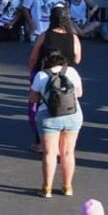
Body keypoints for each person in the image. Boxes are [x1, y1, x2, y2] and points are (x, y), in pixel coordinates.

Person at [31, 48, 83, 198]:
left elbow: (33, 99)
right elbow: (79, 93)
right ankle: (67, 187)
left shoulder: (41, 75)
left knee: (50, 153)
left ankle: (47, 188)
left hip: (48, 116)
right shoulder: (72, 72)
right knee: (68, 152)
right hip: (72, 114)